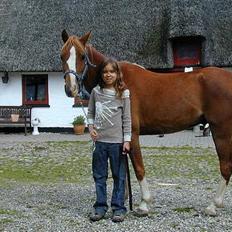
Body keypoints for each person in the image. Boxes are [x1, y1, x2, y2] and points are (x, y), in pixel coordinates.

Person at [87, 58, 131, 223]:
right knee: (99, 176)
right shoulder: (95, 92)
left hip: (117, 143)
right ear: (101, 74)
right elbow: (90, 113)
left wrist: (127, 140)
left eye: (112, 71)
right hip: (99, 143)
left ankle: (118, 208)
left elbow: (127, 119)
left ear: (117, 73)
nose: (108, 75)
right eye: (105, 71)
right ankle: (100, 207)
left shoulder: (124, 93)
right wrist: (90, 128)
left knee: (119, 177)